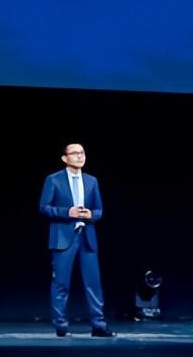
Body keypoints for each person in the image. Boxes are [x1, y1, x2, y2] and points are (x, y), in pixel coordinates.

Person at [38, 142, 114, 337]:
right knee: (61, 283)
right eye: (74, 153)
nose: (80, 156)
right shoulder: (53, 180)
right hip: (63, 238)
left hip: (87, 237)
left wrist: (91, 214)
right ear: (65, 158)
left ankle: (99, 325)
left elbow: (99, 210)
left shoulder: (91, 181)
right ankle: (61, 326)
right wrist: (67, 212)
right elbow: (44, 207)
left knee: (93, 283)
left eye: (82, 152)